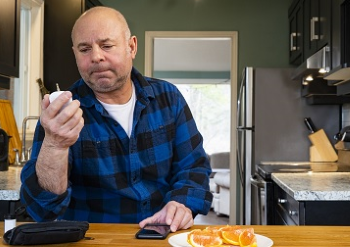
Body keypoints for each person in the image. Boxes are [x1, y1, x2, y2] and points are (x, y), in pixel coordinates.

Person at [20, 6, 213, 232]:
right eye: (84, 49)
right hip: (92, 241)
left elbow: (194, 167)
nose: (96, 57)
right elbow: (42, 210)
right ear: (75, 54)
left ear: (131, 47)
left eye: (106, 45)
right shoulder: (61, 114)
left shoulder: (168, 97)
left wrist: (181, 203)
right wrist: (55, 144)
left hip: (161, 235)